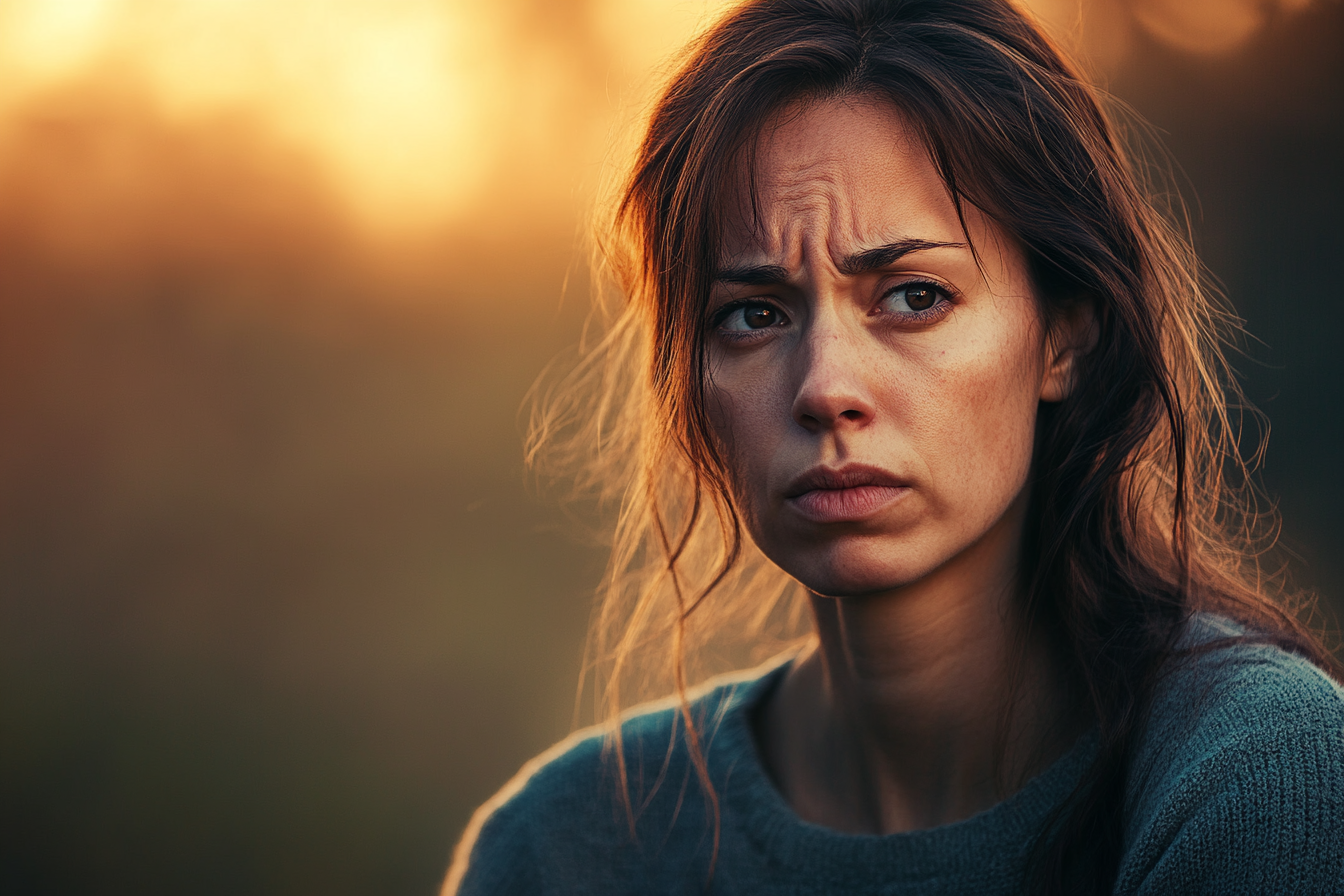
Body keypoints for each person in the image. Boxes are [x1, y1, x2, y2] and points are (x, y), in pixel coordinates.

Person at [444, 0, 1344, 893]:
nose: (826, 387)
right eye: (754, 315)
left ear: (1064, 337)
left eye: (913, 296)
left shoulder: (1257, 784)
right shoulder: (561, 850)